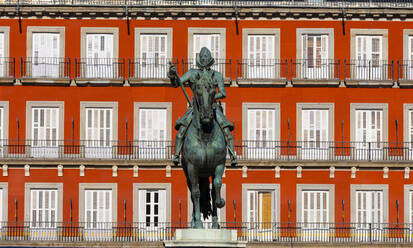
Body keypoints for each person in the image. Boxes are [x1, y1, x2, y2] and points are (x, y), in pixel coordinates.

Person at [168, 47, 237, 166]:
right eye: (203, 57)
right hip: (195, 108)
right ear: (200, 59)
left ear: (210, 59)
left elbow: (223, 92)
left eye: (206, 57)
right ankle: (176, 155)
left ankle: (232, 154)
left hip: (213, 107)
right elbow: (176, 84)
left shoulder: (217, 76)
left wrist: (212, 98)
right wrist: (172, 75)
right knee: (182, 129)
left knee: (226, 130)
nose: (204, 59)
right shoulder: (192, 73)